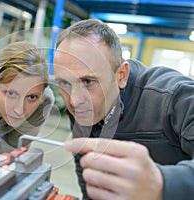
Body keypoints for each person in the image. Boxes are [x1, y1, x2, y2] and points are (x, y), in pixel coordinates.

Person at [53, 18, 194, 200]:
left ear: (121, 75)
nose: (73, 101)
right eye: (64, 83)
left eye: (88, 81)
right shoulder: (85, 107)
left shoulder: (174, 96)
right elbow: (89, 178)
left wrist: (162, 183)